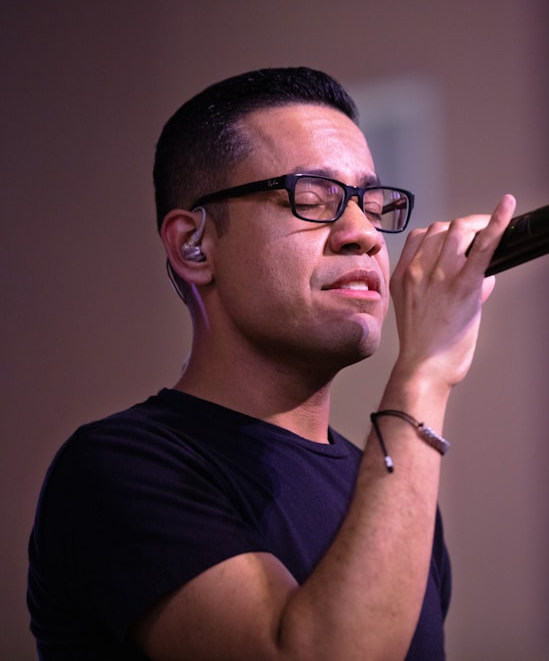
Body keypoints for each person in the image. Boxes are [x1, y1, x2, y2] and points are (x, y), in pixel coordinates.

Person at [27, 66, 515, 660]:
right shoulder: (120, 467)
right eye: (313, 198)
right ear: (193, 244)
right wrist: (423, 374)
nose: (362, 234)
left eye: (370, 203)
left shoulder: (389, 486)